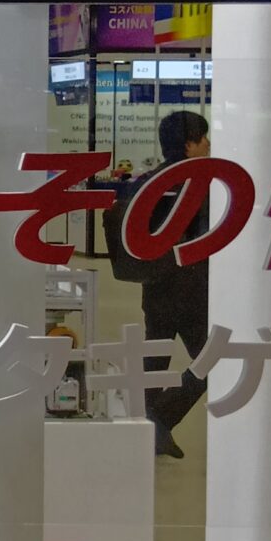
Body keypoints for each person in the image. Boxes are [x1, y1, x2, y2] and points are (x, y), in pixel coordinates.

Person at [106, 109, 210, 460]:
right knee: (214, 360)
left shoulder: (147, 182)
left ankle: (143, 428)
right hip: (194, 290)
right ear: (189, 144)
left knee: (154, 363)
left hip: (155, 286)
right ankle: (160, 418)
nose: (208, 145)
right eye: (203, 139)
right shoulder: (199, 185)